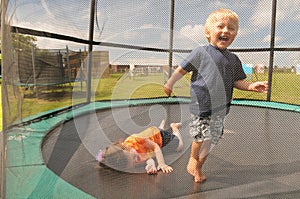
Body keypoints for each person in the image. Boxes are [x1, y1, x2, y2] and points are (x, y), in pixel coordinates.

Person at [164, 8, 268, 183]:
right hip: (201, 106)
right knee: (202, 136)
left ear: (235, 34)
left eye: (231, 28)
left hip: (221, 110)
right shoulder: (201, 52)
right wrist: (170, 83)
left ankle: (198, 165)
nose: (226, 31)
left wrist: (251, 86)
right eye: (220, 26)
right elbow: (182, 69)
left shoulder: (233, 59)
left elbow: (237, 81)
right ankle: (193, 159)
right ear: (208, 32)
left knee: (212, 140)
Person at [97, 120, 183, 174]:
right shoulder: (128, 153)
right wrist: (151, 166)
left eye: (134, 157)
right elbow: (147, 158)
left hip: (161, 138)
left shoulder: (136, 140)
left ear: (125, 147)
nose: (136, 160)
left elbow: (156, 147)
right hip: (153, 135)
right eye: (133, 163)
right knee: (158, 132)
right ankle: (161, 127)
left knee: (179, 146)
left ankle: (174, 128)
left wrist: (162, 164)